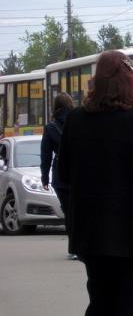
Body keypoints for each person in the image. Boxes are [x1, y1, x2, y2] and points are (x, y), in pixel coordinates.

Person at [57, 50, 133, 316]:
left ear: (96, 82)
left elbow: (63, 174)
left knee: (101, 303)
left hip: (92, 236)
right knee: (131, 307)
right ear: (129, 83)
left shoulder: (76, 121)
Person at [40, 92, 74, 259]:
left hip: (60, 175)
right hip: (80, 173)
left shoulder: (51, 127)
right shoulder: (79, 122)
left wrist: (44, 177)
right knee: (81, 210)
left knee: (68, 211)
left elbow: (45, 155)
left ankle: (73, 248)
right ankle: (83, 246)